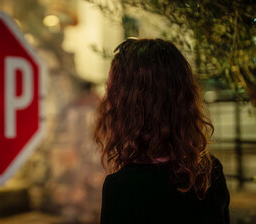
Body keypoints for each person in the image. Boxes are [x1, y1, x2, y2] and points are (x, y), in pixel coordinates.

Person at [94, 38, 230, 224]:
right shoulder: (210, 172)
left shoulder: (123, 187)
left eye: (111, 92)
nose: (106, 102)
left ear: (130, 107)